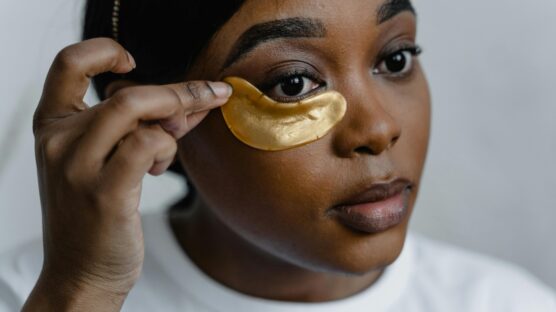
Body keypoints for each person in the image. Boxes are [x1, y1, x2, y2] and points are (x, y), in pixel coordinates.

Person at [1, 0, 555, 311]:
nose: (380, 129)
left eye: (396, 58)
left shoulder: (508, 304)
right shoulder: (29, 292)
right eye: (293, 83)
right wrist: (83, 291)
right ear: (151, 120)